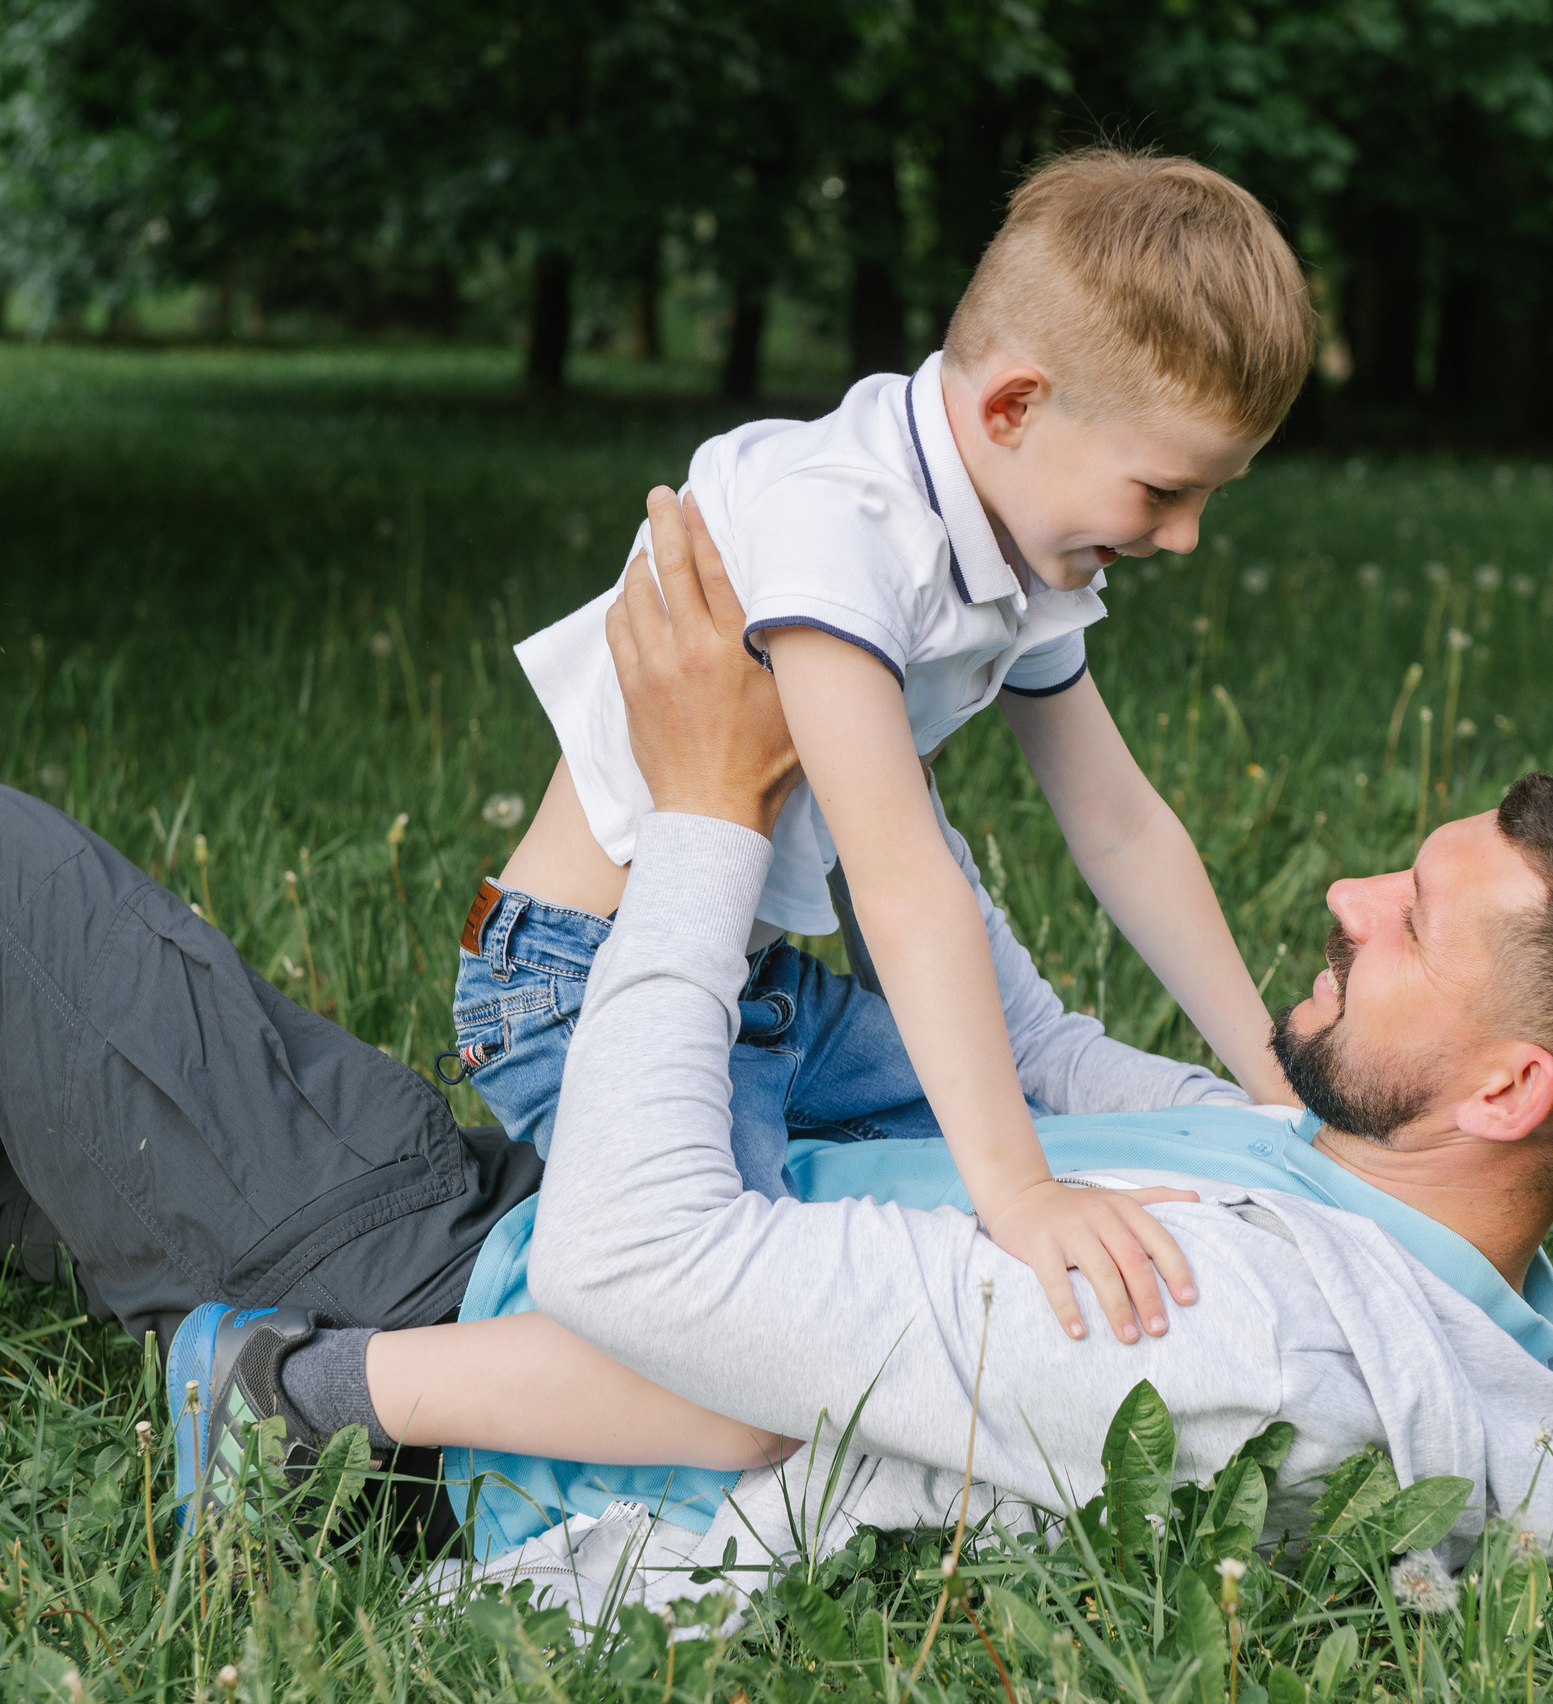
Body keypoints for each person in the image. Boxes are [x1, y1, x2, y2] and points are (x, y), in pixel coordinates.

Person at [0, 493, 1553, 1607]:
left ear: (1508, 1092)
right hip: (510, 1230)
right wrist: (852, 724)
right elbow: (1008, 1045)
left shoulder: (1208, 1327)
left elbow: (651, 1278)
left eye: (1411, 925)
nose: (1344, 904)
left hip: (456, 1300)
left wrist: (706, 813)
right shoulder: (1439, 1277)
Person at [484, 147, 1309, 1345]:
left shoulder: (1019, 525)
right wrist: (1017, 1191)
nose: (1181, 539)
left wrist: (1267, 1066)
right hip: (581, 986)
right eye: (1160, 492)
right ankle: (370, 1373)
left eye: (1207, 501)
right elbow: (894, 873)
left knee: (1035, 1121)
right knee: (740, 1325)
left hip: (762, 988)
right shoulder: (840, 520)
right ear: (1013, 407)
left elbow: (1118, 821)